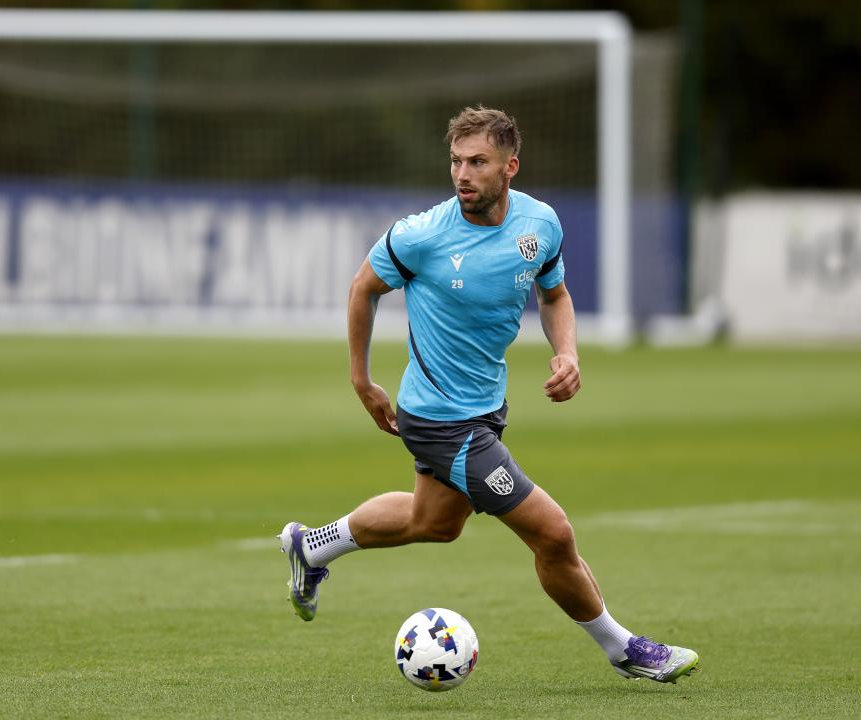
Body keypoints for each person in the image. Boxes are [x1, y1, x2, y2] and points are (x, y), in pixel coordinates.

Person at [279, 106, 699, 684]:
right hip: (440, 419)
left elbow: (554, 294)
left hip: (484, 407)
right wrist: (361, 379)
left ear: (510, 167)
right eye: (456, 161)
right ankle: (623, 649)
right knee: (551, 532)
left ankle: (312, 547)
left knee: (435, 522)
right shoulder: (422, 234)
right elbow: (362, 288)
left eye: (477, 162)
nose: (463, 174)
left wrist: (568, 352)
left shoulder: (540, 224)